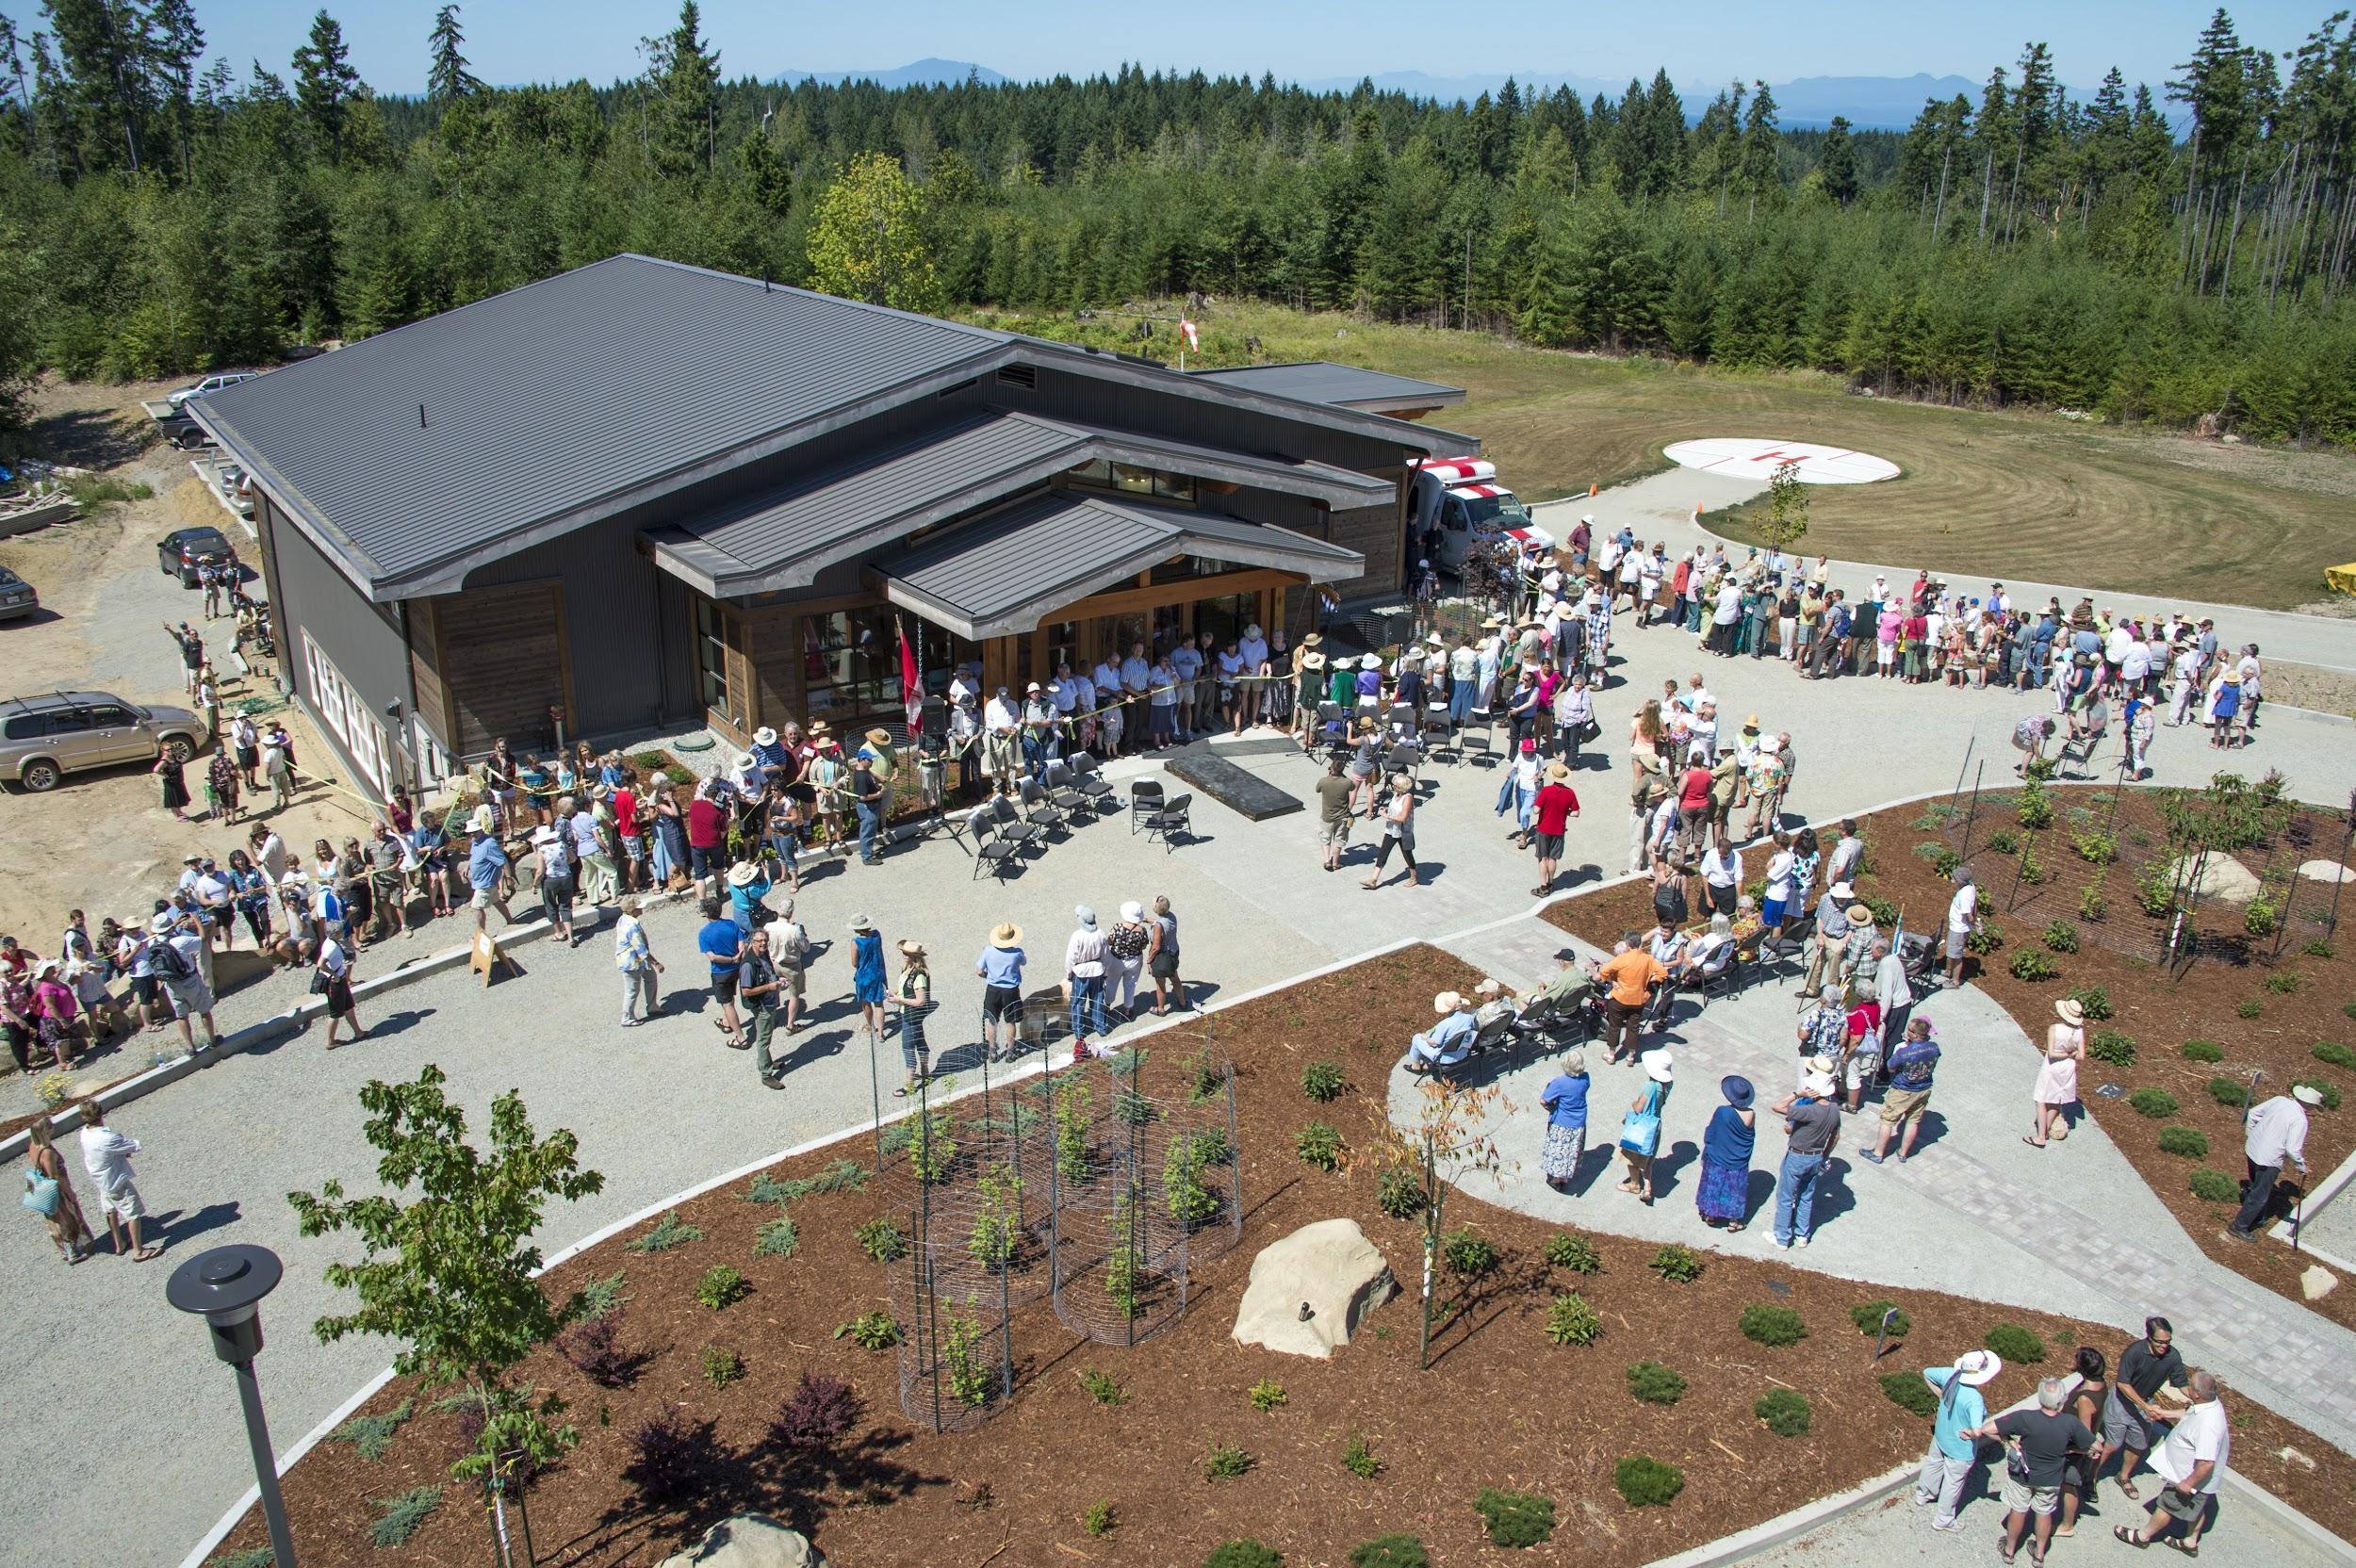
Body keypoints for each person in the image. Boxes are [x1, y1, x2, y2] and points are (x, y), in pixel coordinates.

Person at [2115, 1369, 2230, 1554]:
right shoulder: (2208, 1404)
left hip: (2188, 1477)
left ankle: (2142, 1537)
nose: (2187, 1387)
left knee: (2167, 1505)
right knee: (2196, 1508)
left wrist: (2187, 1483)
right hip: (2195, 1479)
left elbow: (2207, 1463)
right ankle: (2190, 1542)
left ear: (2197, 1393)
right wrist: (2165, 1413)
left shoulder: (2208, 1425)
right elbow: (2189, 1413)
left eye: (2190, 1386)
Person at [1988, 1378, 2097, 1565]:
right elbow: (2096, 1446)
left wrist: (2009, 1441)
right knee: (2044, 1513)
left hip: (2023, 1475)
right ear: (2061, 1400)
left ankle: (2009, 1551)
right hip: (2051, 1479)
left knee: (2018, 1510)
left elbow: (1987, 1429)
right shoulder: (2070, 1422)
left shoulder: (2025, 1417)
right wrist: (2073, 1450)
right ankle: (2038, 1555)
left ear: (2040, 1398)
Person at [2095, 1315, 2190, 1500]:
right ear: (2149, 1337)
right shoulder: (2135, 1352)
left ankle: (2123, 1477)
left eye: (2168, 1342)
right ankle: (2091, 1476)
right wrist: (2144, 1406)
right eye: (2160, 1342)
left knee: (2138, 1444)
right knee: (2112, 1445)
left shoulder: (2173, 1356)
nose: (2164, 1346)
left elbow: (2181, 1383)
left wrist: (2198, 1397)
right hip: (2122, 1403)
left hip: (2144, 1404)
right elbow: (2123, 1383)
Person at [1913, 1348, 2004, 1534]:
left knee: (1933, 1464)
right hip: (1959, 1449)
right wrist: (1971, 1433)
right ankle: (1943, 1519)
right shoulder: (1974, 1400)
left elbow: (1927, 1373)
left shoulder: (1949, 1376)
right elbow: (1978, 1430)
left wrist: (1941, 1395)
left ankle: (1923, 1495)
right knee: (1953, 1482)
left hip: (1941, 1435)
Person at [2229, 1085, 2318, 1240]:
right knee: (2260, 1196)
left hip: (2253, 1149)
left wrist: (2251, 1134)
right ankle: (2239, 1226)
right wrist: (2302, 1166)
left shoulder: (2279, 1100)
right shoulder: (2300, 1120)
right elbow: (2292, 1149)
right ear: (2309, 1105)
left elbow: (2254, 1113)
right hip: (2269, 1160)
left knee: (2256, 1184)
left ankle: (2255, 1215)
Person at [1765, 1070, 1841, 1249]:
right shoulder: (1834, 1110)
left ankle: (1782, 1237)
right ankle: (1802, 1235)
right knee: (1806, 1196)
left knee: (1785, 1196)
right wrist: (1825, 1156)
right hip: (1816, 1157)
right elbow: (1835, 1136)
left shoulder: (1808, 1110)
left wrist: (1797, 1094)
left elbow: (1777, 1107)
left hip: (1797, 1156)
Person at [77, 1100, 161, 1261]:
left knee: (110, 1210)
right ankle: (138, 1251)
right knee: (132, 1213)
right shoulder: (107, 1138)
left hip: (101, 1180)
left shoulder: (85, 1133)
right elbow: (134, 1145)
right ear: (101, 1113)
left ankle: (119, 1243)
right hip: (115, 1181)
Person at [1864, 1017, 1939, 1165]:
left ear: (1914, 1033)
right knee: (1913, 1120)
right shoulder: (1934, 1047)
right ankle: (1903, 1153)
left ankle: (1878, 1153)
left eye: (1909, 1029)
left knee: (1888, 1120)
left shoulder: (1904, 1052)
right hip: (1924, 1088)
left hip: (1903, 1090)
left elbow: (1890, 1067)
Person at [147, 909, 217, 1055]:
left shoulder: (152, 943)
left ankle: (191, 1047)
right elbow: (203, 939)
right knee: (204, 1011)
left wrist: (173, 924)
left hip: (171, 984)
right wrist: (197, 920)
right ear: (170, 927)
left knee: (181, 1016)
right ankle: (212, 1040)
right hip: (189, 980)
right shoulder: (180, 941)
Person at [25, 1117, 93, 1265]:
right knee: (68, 1220)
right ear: (46, 1131)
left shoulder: (33, 1146)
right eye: (51, 1127)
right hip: (58, 1193)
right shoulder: (48, 1152)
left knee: (55, 1221)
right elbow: (55, 1176)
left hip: (43, 1191)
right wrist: (70, 1193)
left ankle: (65, 1250)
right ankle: (73, 1253)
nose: (54, 1128)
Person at [1596, 932, 1667, 1066]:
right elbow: (1663, 973)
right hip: (1638, 1000)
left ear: (1628, 945)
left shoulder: (1622, 959)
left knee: (1614, 1027)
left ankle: (1611, 1055)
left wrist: (1612, 982)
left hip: (1619, 998)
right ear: (1640, 943)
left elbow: (1604, 972)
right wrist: (1651, 981)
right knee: (1633, 1028)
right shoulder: (1648, 959)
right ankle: (1630, 1057)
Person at [2060, 1347, 2109, 1539]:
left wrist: (2073, 1451)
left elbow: (2084, 1434)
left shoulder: (2085, 1399)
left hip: (2072, 1450)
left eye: (2076, 1359)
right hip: (2071, 1446)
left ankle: (2067, 1525)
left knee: (2069, 1485)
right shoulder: (2101, 1385)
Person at [1696, 1075, 1756, 1231]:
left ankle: (1710, 1215)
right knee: (1735, 1189)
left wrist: (1707, 1149)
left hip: (1718, 1155)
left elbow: (1712, 1130)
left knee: (1714, 1183)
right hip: (1738, 1157)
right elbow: (1749, 1135)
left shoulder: (1722, 1111)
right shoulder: (1751, 1114)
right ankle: (1733, 1221)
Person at [1615, 1048, 1673, 1203]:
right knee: (1648, 1158)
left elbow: (1639, 1107)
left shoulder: (1651, 1086)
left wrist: (1631, 1105)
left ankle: (1634, 1184)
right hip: (1655, 1124)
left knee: (1633, 1156)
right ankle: (1647, 1186)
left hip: (1642, 1126)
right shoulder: (1668, 1084)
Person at [2028, 997, 2086, 1149]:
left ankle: (2041, 1137)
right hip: (2068, 1068)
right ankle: (2045, 1129)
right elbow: (2081, 1056)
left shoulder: (2054, 1028)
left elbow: (2052, 1053)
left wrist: (2065, 1054)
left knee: (2040, 1099)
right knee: (2055, 1099)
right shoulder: (2079, 1032)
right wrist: (2071, 1055)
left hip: (2052, 1066)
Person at [1537, 1049, 1593, 1191]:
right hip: (1579, 1121)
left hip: (1562, 1121)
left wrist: (1551, 1108)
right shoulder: (1585, 1078)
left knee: (1559, 1150)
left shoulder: (1560, 1082)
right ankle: (1565, 1177)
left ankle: (1557, 1179)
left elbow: (1544, 1100)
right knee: (1571, 1149)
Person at [695, 897, 746, 1049]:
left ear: (705, 913)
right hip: (736, 969)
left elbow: (712, 956)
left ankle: (740, 1037)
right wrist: (737, 957)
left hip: (720, 972)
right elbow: (741, 944)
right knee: (730, 998)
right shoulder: (732, 924)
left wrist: (731, 959)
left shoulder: (704, 933)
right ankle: (726, 1022)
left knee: (727, 1004)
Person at [741, 926, 787, 1089]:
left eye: (765, 940)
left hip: (769, 1002)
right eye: (759, 940)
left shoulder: (763, 955)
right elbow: (746, 991)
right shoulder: (748, 965)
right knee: (763, 1040)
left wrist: (777, 980)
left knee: (766, 1036)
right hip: (762, 1007)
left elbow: (768, 974)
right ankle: (766, 1075)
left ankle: (767, 1063)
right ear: (752, 942)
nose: (763, 943)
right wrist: (770, 987)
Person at [885, 940, 933, 1096]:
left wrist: (899, 1000)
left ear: (913, 956)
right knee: (919, 1041)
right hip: (910, 1013)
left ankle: (909, 1086)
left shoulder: (919, 975)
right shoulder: (908, 969)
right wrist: (895, 994)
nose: (903, 955)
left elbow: (920, 1001)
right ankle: (925, 1072)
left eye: (906, 953)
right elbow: (904, 989)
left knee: (907, 1048)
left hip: (912, 1015)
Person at [1360, 772, 1421, 890]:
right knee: (1383, 853)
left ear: (1401, 787)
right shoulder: (1396, 795)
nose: (1393, 786)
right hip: (1391, 830)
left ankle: (1414, 876)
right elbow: (1395, 807)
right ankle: (1373, 880)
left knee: (1407, 854)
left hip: (1403, 831)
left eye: (1395, 785)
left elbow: (1403, 817)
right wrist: (1387, 809)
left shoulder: (1407, 798)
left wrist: (1386, 816)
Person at [976, 922, 1026, 1064]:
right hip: (1010, 990)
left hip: (993, 989)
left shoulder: (988, 951)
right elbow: (1024, 962)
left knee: (992, 1021)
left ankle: (992, 1050)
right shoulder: (1017, 953)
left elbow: (979, 970)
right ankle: (1010, 1050)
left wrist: (989, 976)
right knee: (1010, 1021)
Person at [1530, 760, 1580, 898]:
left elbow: (1536, 810)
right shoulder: (1570, 793)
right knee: (1553, 858)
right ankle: (1551, 882)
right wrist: (1566, 812)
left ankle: (1543, 886)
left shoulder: (1546, 791)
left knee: (1542, 858)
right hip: (1559, 830)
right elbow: (1576, 813)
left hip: (1543, 829)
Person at [1065, 905, 1109, 1056]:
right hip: (1097, 969)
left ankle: (1078, 1030)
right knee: (1097, 999)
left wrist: (1068, 972)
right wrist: (1106, 971)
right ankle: (1100, 1026)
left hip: (1081, 971)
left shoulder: (1077, 936)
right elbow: (1105, 955)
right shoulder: (1101, 933)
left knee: (1078, 1001)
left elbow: (1071, 957)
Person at [614, 897, 663, 1026]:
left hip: (638, 961)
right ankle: (627, 1018)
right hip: (632, 963)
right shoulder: (632, 926)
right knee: (632, 990)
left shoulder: (623, 919)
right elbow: (640, 949)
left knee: (651, 978)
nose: (641, 909)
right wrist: (656, 963)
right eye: (639, 907)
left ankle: (652, 1006)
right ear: (633, 910)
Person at [466, 808, 516, 933]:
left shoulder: (489, 843)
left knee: (476, 907)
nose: (472, 835)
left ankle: (480, 933)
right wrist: (468, 865)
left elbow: (502, 861)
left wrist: (509, 878)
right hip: (480, 880)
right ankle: (510, 920)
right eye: (470, 833)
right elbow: (474, 855)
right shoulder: (474, 842)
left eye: (474, 832)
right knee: (496, 901)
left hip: (486, 882)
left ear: (480, 829)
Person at [1405, 990, 1476, 1072]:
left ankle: (1416, 1067)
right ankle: (1426, 1066)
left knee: (1417, 1038)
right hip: (1463, 1053)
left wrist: (1426, 1038)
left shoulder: (1444, 1024)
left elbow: (1434, 1044)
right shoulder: (1469, 1018)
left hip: (1444, 1058)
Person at [317, 929, 361, 1050]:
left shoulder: (329, 941)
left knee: (348, 1007)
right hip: (334, 983)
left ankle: (358, 1032)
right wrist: (334, 975)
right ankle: (330, 1041)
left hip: (340, 981)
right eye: (341, 931)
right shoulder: (331, 947)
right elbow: (320, 964)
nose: (342, 932)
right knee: (335, 1013)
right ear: (336, 934)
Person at [532, 824, 576, 944]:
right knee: (566, 906)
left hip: (550, 880)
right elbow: (573, 858)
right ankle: (571, 937)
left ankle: (558, 933)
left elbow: (540, 870)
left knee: (551, 905)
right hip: (566, 877)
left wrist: (534, 884)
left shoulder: (542, 851)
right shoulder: (562, 845)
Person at [1106, 901, 1151, 1017]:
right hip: (1135, 960)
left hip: (1116, 960)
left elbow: (1109, 941)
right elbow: (1144, 946)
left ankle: (1106, 1006)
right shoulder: (1142, 931)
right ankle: (1127, 1009)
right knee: (1130, 984)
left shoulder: (1117, 927)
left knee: (1111, 983)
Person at [1315, 754, 1354, 873]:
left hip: (1327, 817)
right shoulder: (1347, 782)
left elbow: (1317, 790)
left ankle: (1327, 861)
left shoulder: (1323, 781)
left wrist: (1329, 775)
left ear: (1331, 769)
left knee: (1326, 839)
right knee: (1339, 840)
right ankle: (1336, 863)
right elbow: (1352, 787)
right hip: (1342, 817)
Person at [1148, 893, 1183, 1015]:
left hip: (1163, 957)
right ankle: (1182, 1002)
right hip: (1174, 952)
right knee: (1175, 978)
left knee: (1160, 984)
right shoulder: (1171, 916)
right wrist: (1148, 920)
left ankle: (1161, 1009)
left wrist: (1149, 961)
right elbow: (1161, 923)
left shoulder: (1158, 926)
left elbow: (1156, 947)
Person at [1944, 864, 1977, 986]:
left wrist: (1975, 923)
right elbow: (1976, 902)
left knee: (1956, 956)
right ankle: (1949, 971)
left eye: (1954, 878)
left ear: (1960, 881)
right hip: (1956, 928)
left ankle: (1955, 981)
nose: (1952, 880)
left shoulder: (1964, 895)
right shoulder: (1970, 886)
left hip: (1958, 930)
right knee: (1952, 952)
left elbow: (1968, 915)